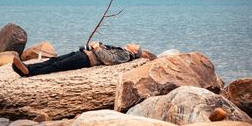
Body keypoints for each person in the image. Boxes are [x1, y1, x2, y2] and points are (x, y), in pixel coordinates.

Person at [12, 41, 156, 77]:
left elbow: (109, 60)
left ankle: (29, 73)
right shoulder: (123, 51)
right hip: (84, 54)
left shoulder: (126, 55)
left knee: (57, 66)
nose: (133, 43)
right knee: (54, 61)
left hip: (86, 60)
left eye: (135, 45)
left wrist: (97, 48)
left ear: (134, 51)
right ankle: (27, 68)